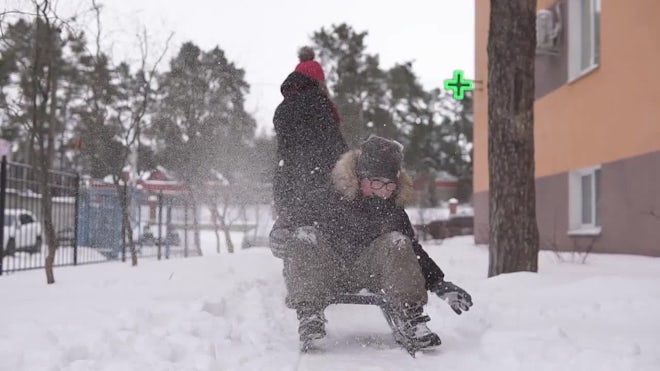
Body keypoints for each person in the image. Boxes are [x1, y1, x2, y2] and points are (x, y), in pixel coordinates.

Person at [271, 135, 473, 350]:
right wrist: (280, 235)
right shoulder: (325, 197)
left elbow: (412, 251)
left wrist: (438, 283)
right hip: (326, 272)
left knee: (397, 241)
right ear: (359, 177)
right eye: (376, 183)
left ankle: (411, 317)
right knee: (304, 235)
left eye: (389, 185)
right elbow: (288, 223)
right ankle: (309, 315)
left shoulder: (392, 209)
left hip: (371, 274)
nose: (383, 191)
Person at [271, 46, 347, 235]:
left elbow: (284, 151)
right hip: (319, 185)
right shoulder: (320, 105)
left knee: (297, 240)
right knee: (322, 242)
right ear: (317, 82)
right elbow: (335, 147)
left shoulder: (282, 109)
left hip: (289, 185)